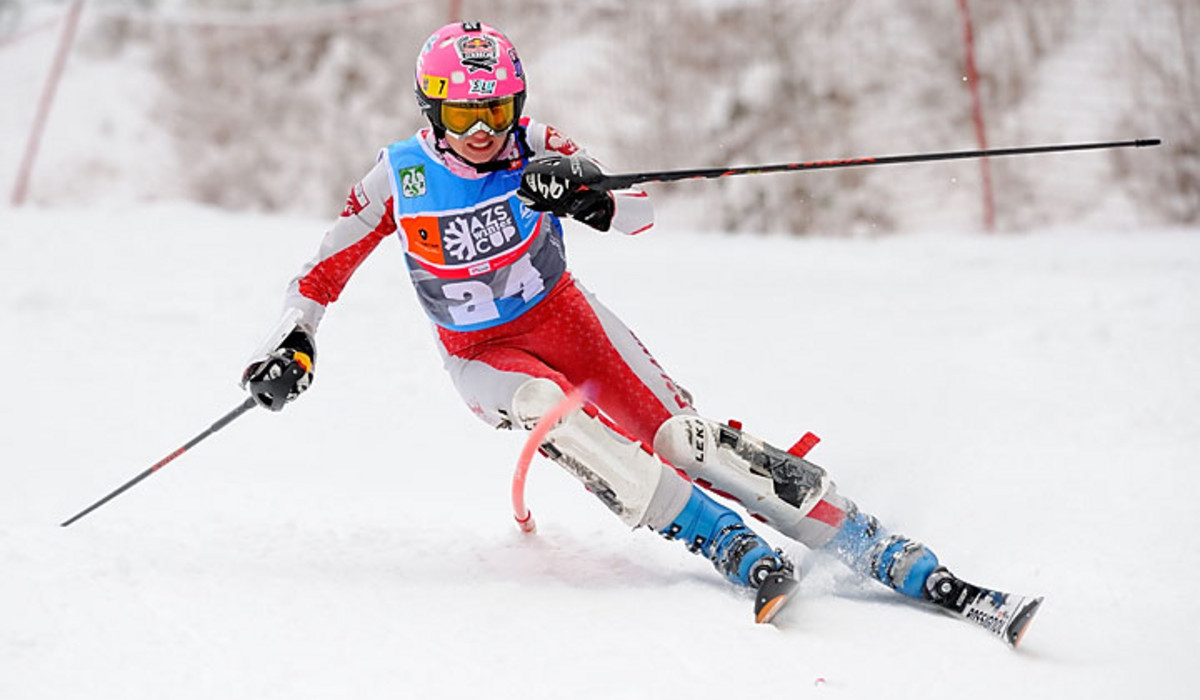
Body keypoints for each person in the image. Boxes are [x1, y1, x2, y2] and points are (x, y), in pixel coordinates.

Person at [242, 21, 1041, 640]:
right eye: (462, 114)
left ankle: (876, 546)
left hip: (567, 318)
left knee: (683, 440)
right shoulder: (400, 176)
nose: (482, 131)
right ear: (432, 111)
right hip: (481, 355)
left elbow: (641, 212)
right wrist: (291, 344)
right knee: (551, 414)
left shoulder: (536, 146)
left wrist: (584, 196)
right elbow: (318, 275)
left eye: (495, 111)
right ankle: (721, 539)